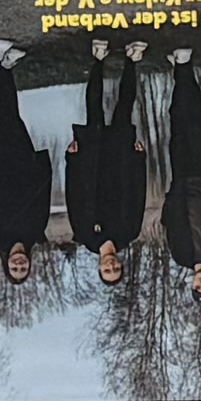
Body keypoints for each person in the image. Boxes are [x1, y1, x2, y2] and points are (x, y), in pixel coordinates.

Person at [0, 44, 54, 291]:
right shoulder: (36, 233)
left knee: (6, 116)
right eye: (23, 268)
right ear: (29, 264)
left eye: (15, 268)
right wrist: (43, 165)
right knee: (11, 117)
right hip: (24, 163)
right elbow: (43, 196)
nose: (19, 264)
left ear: (6, 264)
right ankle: (4, 66)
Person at [157, 56, 201, 309]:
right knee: (197, 124)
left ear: (192, 284)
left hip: (182, 181)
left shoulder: (181, 256)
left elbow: (170, 224)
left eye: (198, 288)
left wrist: (170, 199)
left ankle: (179, 70)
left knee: (177, 123)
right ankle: (185, 65)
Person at [67, 45, 141, 289]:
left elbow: (74, 197)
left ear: (99, 267)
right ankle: (132, 60)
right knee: (124, 110)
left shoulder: (85, 236)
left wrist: (72, 160)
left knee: (94, 111)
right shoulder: (129, 233)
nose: (111, 266)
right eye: (116, 269)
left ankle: (98, 59)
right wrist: (139, 160)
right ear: (121, 263)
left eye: (107, 270)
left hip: (92, 165)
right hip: (120, 165)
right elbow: (137, 194)